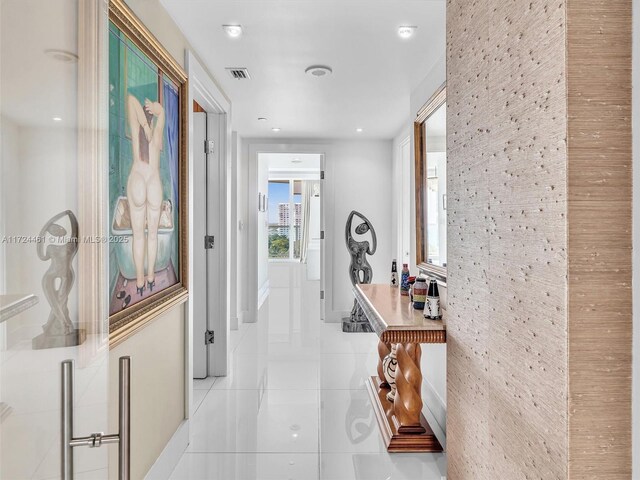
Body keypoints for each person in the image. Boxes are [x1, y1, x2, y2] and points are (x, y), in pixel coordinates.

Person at [126, 94, 164, 296]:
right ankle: (151, 277)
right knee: (153, 236)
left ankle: (139, 281)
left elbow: (131, 99)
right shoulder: (157, 133)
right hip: (154, 180)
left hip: (138, 177)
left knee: (138, 235)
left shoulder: (136, 129)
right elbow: (162, 115)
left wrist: (143, 124)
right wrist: (158, 112)